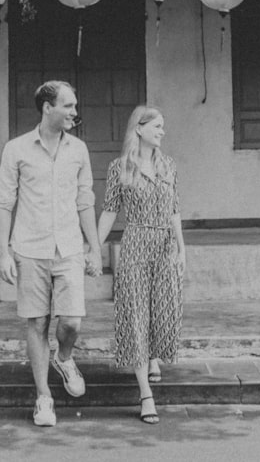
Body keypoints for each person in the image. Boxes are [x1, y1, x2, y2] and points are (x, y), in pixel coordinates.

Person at [0, 80, 102, 427]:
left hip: (69, 247)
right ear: (47, 108)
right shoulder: (16, 149)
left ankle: (65, 357)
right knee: (37, 322)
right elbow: (4, 203)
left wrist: (94, 249)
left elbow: (85, 200)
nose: (74, 112)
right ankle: (43, 397)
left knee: (71, 321)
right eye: (68, 106)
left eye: (74, 106)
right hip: (29, 247)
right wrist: (3, 254)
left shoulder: (78, 150)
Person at [96, 105, 186, 425]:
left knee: (161, 310)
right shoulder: (121, 167)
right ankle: (145, 393)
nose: (162, 131)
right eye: (157, 126)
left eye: (163, 126)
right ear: (140, 129)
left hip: (164, 245)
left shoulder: (168, 166)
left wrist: (181, 247)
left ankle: (152, 358)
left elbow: (174, 209)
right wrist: (93, 248)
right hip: (135, 243)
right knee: (135, 312)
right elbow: (109, 211)